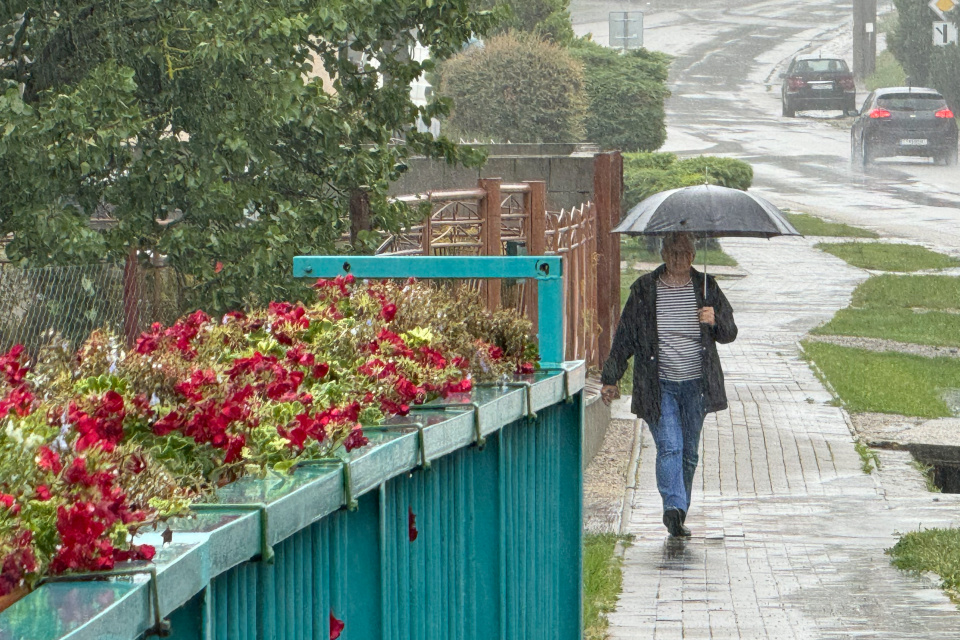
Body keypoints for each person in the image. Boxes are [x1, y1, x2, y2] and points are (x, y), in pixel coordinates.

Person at [600, 232, 737, 538]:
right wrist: (611, 377)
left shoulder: (707, 287)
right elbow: (626, 336)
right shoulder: (645, 289)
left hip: (697, 386)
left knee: (688, 452)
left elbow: (730, 333)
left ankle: (679, 511)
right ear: (662, 254)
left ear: (692, 255)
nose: (678, 259)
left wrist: (714, 320)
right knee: (670, 447)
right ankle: (672, 509)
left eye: (684, 253)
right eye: (672, 253)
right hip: (658, 385)